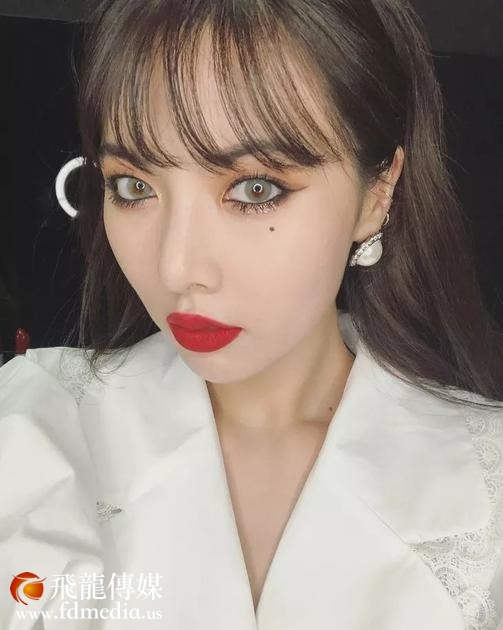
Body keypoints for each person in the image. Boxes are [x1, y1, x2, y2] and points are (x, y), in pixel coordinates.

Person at [1, 0, 503, 628]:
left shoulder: (487, 479)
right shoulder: (32, 428)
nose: (178, 267)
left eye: (254, 189)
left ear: (376, 194)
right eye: (134, 186)